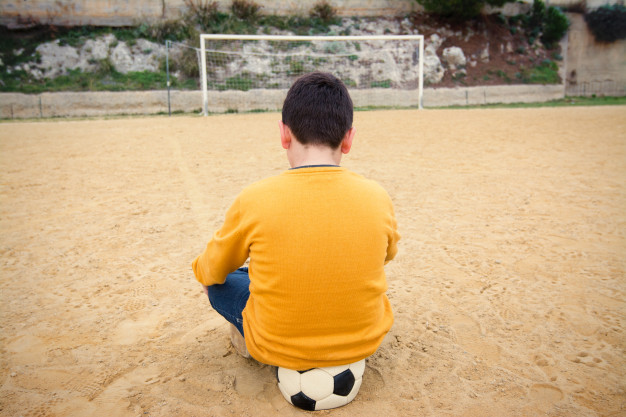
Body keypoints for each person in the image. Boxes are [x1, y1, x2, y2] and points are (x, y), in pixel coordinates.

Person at [192, 71, 400, 371]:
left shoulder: (255, 198)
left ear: (284, 134)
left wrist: (204, 271)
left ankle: (248, 340)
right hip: (364, 340)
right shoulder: (377, 196)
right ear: (348, 139)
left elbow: (210, 268)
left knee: (222, 281)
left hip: (274, 343)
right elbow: (387, 255)